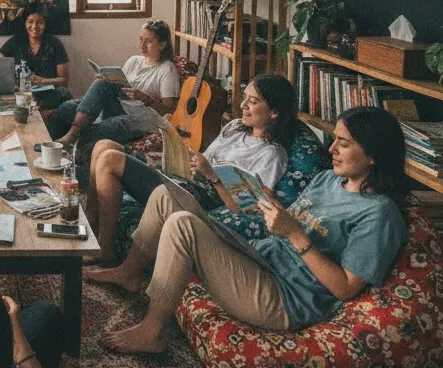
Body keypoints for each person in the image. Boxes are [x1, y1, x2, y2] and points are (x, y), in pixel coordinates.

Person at [87, 106, 409, 355]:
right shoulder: (328, 180)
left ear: (373, 156)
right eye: (334, 140)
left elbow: (346, 288)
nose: (332, 150)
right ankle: (129, 272)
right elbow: (284, 224)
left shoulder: (379, 215)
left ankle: (153, 332)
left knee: (183, 226)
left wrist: (296, 234)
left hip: (284, 298)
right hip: (260, 257)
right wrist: (262, 203)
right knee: (163, 196)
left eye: (344, 143)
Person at [84, 74, 298, 263]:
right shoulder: (235, 128)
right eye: (244, 98)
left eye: (252, 102)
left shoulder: (271, 154)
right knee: (103, 146)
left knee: (110, 159)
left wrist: (212, 176)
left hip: (203, 198)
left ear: (274, 113)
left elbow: (249, 207)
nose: (243, 106)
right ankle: (89, 231)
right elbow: (204, 157)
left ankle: (106, 248)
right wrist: (173, 137)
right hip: (187, 179)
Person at [48, 20, 180, 159]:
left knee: (92, 130)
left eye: (148, 41)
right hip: (119, 106)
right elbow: (116, 86)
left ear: (162, 44)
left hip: (140, 119)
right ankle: (53, 146)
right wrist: (106, 78)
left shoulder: (167, 69)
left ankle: (69, 140)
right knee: (65, 109)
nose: (142, 45)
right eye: (140, 39)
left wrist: (144, 98)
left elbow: (170, 110)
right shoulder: (134, 61)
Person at [0, 8, 71, 112]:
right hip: (21, 94)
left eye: (40, 22)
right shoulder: (16, 41)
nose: (34, 27)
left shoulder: (55, 44)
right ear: (25, 23)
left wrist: (43, 81)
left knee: (61, 97)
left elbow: (64, 81)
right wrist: (12, 84)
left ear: (46, 24)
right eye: (30, 22)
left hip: (48, 96)